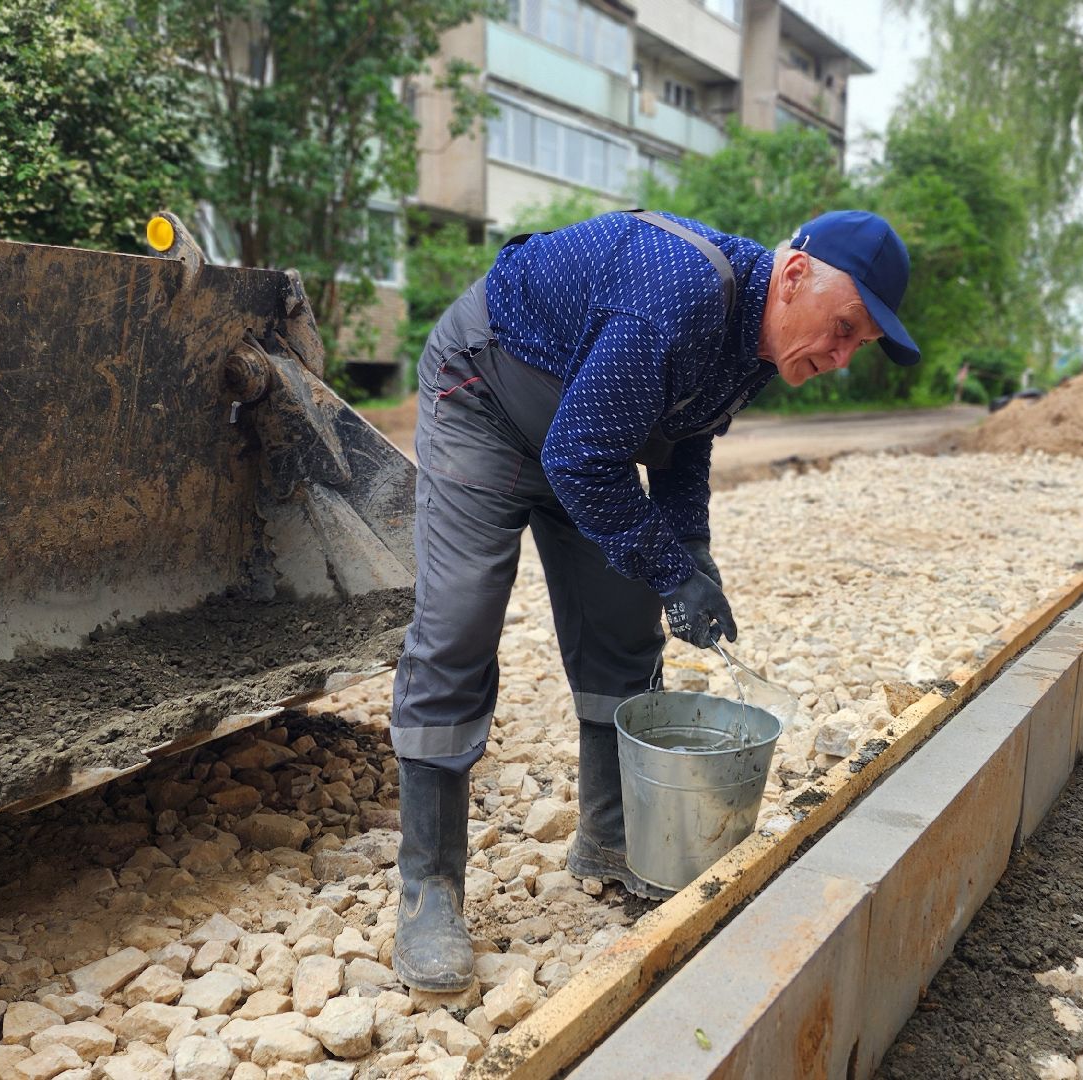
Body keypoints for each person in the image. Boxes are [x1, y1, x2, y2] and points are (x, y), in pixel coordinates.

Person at [388, 209, 920, 991]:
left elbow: (682, 437)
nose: (841, 356)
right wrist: (672, 565)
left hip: (579, 433)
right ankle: (429, 890)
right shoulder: (679, 296)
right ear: (796, 276)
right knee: (460, 621)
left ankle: (612, 840)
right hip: (487, 400)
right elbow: (584, 458)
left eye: (859, 345)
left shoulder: (753, 338)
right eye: (843, 327)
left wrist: (691, 558)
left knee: (625, 626)